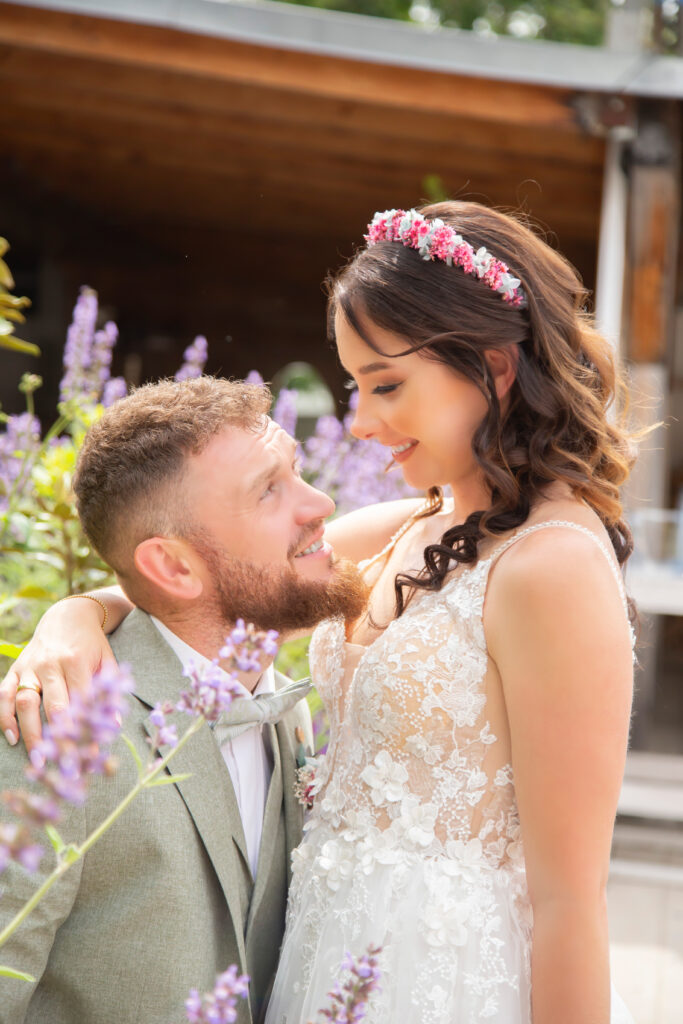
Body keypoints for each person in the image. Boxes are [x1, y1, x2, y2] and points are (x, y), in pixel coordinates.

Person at [3, 201, 635, 1024]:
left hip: (443, 981)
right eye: (353, 386)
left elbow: (569, 904)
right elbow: (198, 580)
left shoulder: (552, 568)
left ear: (493, 368)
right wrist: (71, 620)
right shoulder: (407, 526)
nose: (360, 423)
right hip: (321, 963)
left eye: (386, 385)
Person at [0, 376, 367, 1024]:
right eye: (269, 490)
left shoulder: (285, 707)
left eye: (298, 471)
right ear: (171, 567)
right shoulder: (55, 729)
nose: (322, 502)